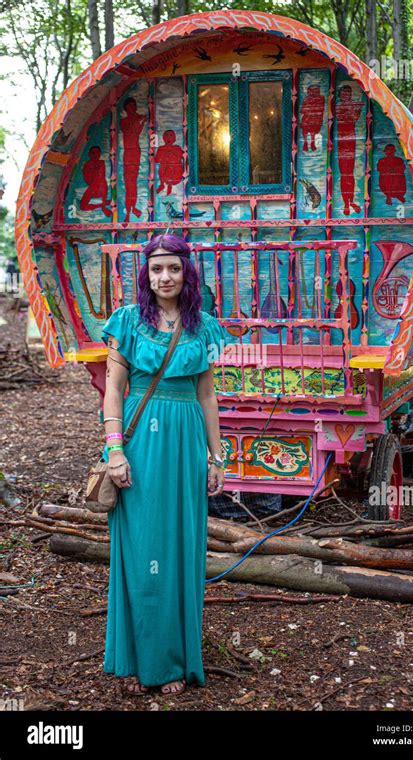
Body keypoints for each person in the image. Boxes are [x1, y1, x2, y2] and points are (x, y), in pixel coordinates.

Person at [100, 233, 233, 696]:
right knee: (141, 550)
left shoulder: (204, 327)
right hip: (141, 448)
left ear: (186, 272)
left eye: (173, 268)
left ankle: (173, 659)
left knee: (180, 549)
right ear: (146, 273)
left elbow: (208, 395)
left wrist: (218, 458)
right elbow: (113, 391)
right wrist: (114, 450)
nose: (165, 277)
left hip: (186, 443)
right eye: (156, 268)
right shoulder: (128, 322)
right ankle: (138, 660)